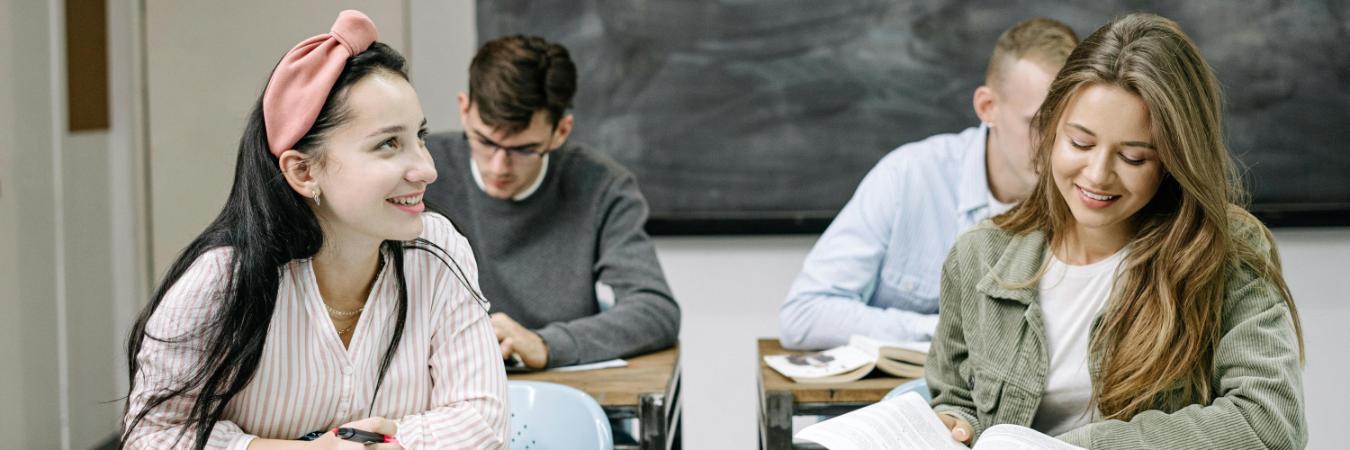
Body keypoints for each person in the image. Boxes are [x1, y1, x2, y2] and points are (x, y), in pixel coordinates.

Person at [121, 11, 508, 449]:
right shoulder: (222, 280)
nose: (427, 169)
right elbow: (152, 435)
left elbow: (483, 420)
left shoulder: (439, 249)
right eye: (388, 144)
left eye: (420, 136)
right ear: (304, 171)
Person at [927, 13, 1306, 449]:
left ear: (1173, 161)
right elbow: (956, 396)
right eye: (1080, 143)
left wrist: (1081, 447)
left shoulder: (1225, 254)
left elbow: (1269, 422)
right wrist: (956, 422)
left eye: (1133, 157)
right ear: (1051, 130)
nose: (1098, 174)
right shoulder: (978, 255)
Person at [779, 18, 1079, 349]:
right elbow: (804, 316)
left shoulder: (1088, 198)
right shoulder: (909, 176)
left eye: (1072, 130)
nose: (1055, 146)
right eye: (1039, 123)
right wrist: (943, 332)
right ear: (987, 107)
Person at [423, 35, 680, 370]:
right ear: (464, 109)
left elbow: (656, 310)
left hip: (558, 386)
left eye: (524, 149)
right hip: (443, 381)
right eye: (485, 141)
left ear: (561, 131)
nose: (499, 167)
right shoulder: (421, 173)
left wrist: (546, 344)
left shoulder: (603, 188)